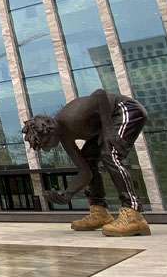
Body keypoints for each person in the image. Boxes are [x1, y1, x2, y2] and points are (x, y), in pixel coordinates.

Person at [22, 88, 150, 237]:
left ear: (51, 126)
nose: (48, 148)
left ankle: (133, 214)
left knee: (109, 153)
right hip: (106, 124)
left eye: (46, 143)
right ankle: (99, 212)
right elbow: (85, 172)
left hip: (126, 110)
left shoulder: (72, 117)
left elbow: (100, 95)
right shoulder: (64, 138)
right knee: (88, 158)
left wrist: (108, 130)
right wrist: (67, 193)